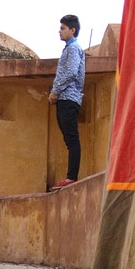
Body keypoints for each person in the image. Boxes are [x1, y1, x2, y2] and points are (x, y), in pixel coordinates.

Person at [49, 15, 85, 190]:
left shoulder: (73, 49)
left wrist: (55, 90)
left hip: (68, 97)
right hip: (66, 98)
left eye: (63, 28)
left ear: (73, 30)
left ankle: (72, 176)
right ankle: (70, 175)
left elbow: (70, 72)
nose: (60, 31)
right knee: (69, 138)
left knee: (71, 138)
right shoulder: (69, 49)